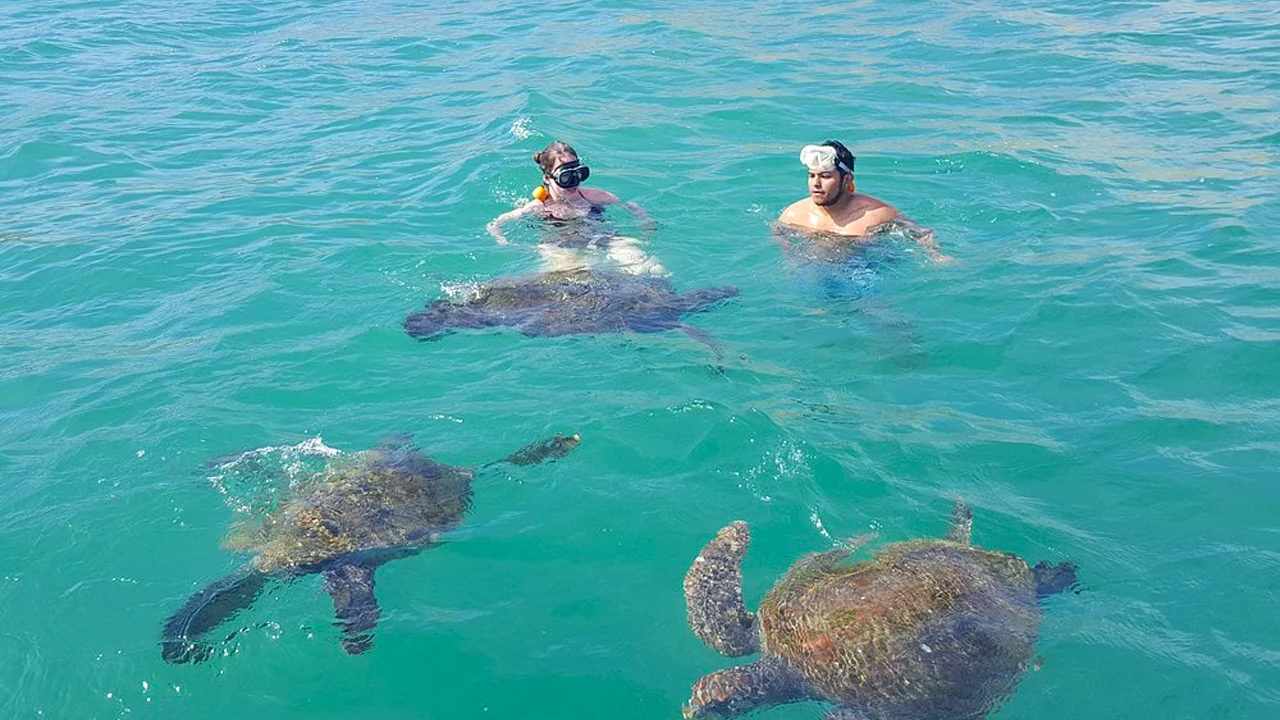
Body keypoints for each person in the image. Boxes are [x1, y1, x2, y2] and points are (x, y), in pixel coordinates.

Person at [486, 141, 666, 276]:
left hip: (604, 238)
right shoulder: (539, 206)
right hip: (561, 247)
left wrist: (646, 224)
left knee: (652, 269)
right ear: (548, 179)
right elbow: (496, 223)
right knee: (573, 277)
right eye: (566, 177)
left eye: (578, 174)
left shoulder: (595, 196)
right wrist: (503, 241)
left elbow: (630, 206)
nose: (573, 183)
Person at [777, 140, 950, 262]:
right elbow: (780, 240)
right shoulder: (793, 215)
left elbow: (922, 233)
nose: (816, 183)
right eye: (811, 175)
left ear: (846, 180)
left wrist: (936, 256)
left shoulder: (877, 214)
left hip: (860, 269)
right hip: (811, 272)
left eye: (825, 176)